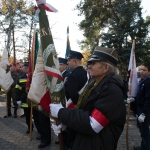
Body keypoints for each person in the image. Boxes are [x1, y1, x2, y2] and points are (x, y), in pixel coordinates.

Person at [50, 46, 127, 150]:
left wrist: (61, 112)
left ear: (105, 68)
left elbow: (93, 124)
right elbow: (84, 110)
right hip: (86, 142)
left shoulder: (111, 90)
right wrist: (67, 124)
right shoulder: (94, 84)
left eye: (93, 63)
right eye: (89, 63)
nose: (88, 66)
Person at [15, 62, 40, 134]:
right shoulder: (20, 78)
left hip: (34, 100)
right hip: (24, 100)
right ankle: (30, 127)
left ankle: (39, 130)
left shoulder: (35, 77)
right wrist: (18, 99)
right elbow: (17, 89)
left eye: (27, 68)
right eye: (25, 68)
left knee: (36, 116)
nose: (26, 69)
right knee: (27, 115)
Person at [132, 63, 150, 150]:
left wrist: (144, 113)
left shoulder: (148, 82)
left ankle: (146, 148)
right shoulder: (143, 80)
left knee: (145, 131)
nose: (141, 72)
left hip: (144, 110)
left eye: (144, 70)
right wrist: (133, 100)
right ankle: (144, 146)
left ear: (149, 72)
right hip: (140, 109)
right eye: (141, 69)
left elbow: (148, 99)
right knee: (142, 130)